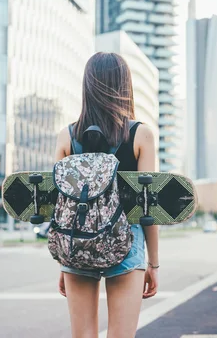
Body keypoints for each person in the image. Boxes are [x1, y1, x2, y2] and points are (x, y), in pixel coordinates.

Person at [54, 52, 159, 338]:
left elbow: (61, 205)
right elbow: (148, 209)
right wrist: (153, 263)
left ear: (87, 86)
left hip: (77, 243)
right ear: (125, 86)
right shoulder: (141, 135)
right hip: (127, 242)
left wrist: (65, 263)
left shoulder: (67, 136)